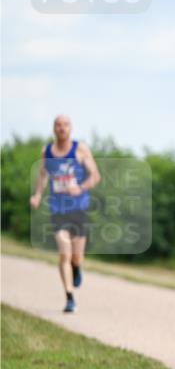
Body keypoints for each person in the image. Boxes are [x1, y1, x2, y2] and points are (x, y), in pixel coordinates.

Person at [29, 115, 101, 313]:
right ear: (54, 129)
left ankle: (77, 268)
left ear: (71, 128)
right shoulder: (47, 152)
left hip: (78, 209)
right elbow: (43, 175)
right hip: (58, 210)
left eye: (65, 125)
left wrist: (80, 187)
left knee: (76, 258)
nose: (62, 128)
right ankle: (69, 297)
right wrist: (37, 195)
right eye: (58, 125)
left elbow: (95, 176)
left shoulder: (80, 149)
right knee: (64, 254)